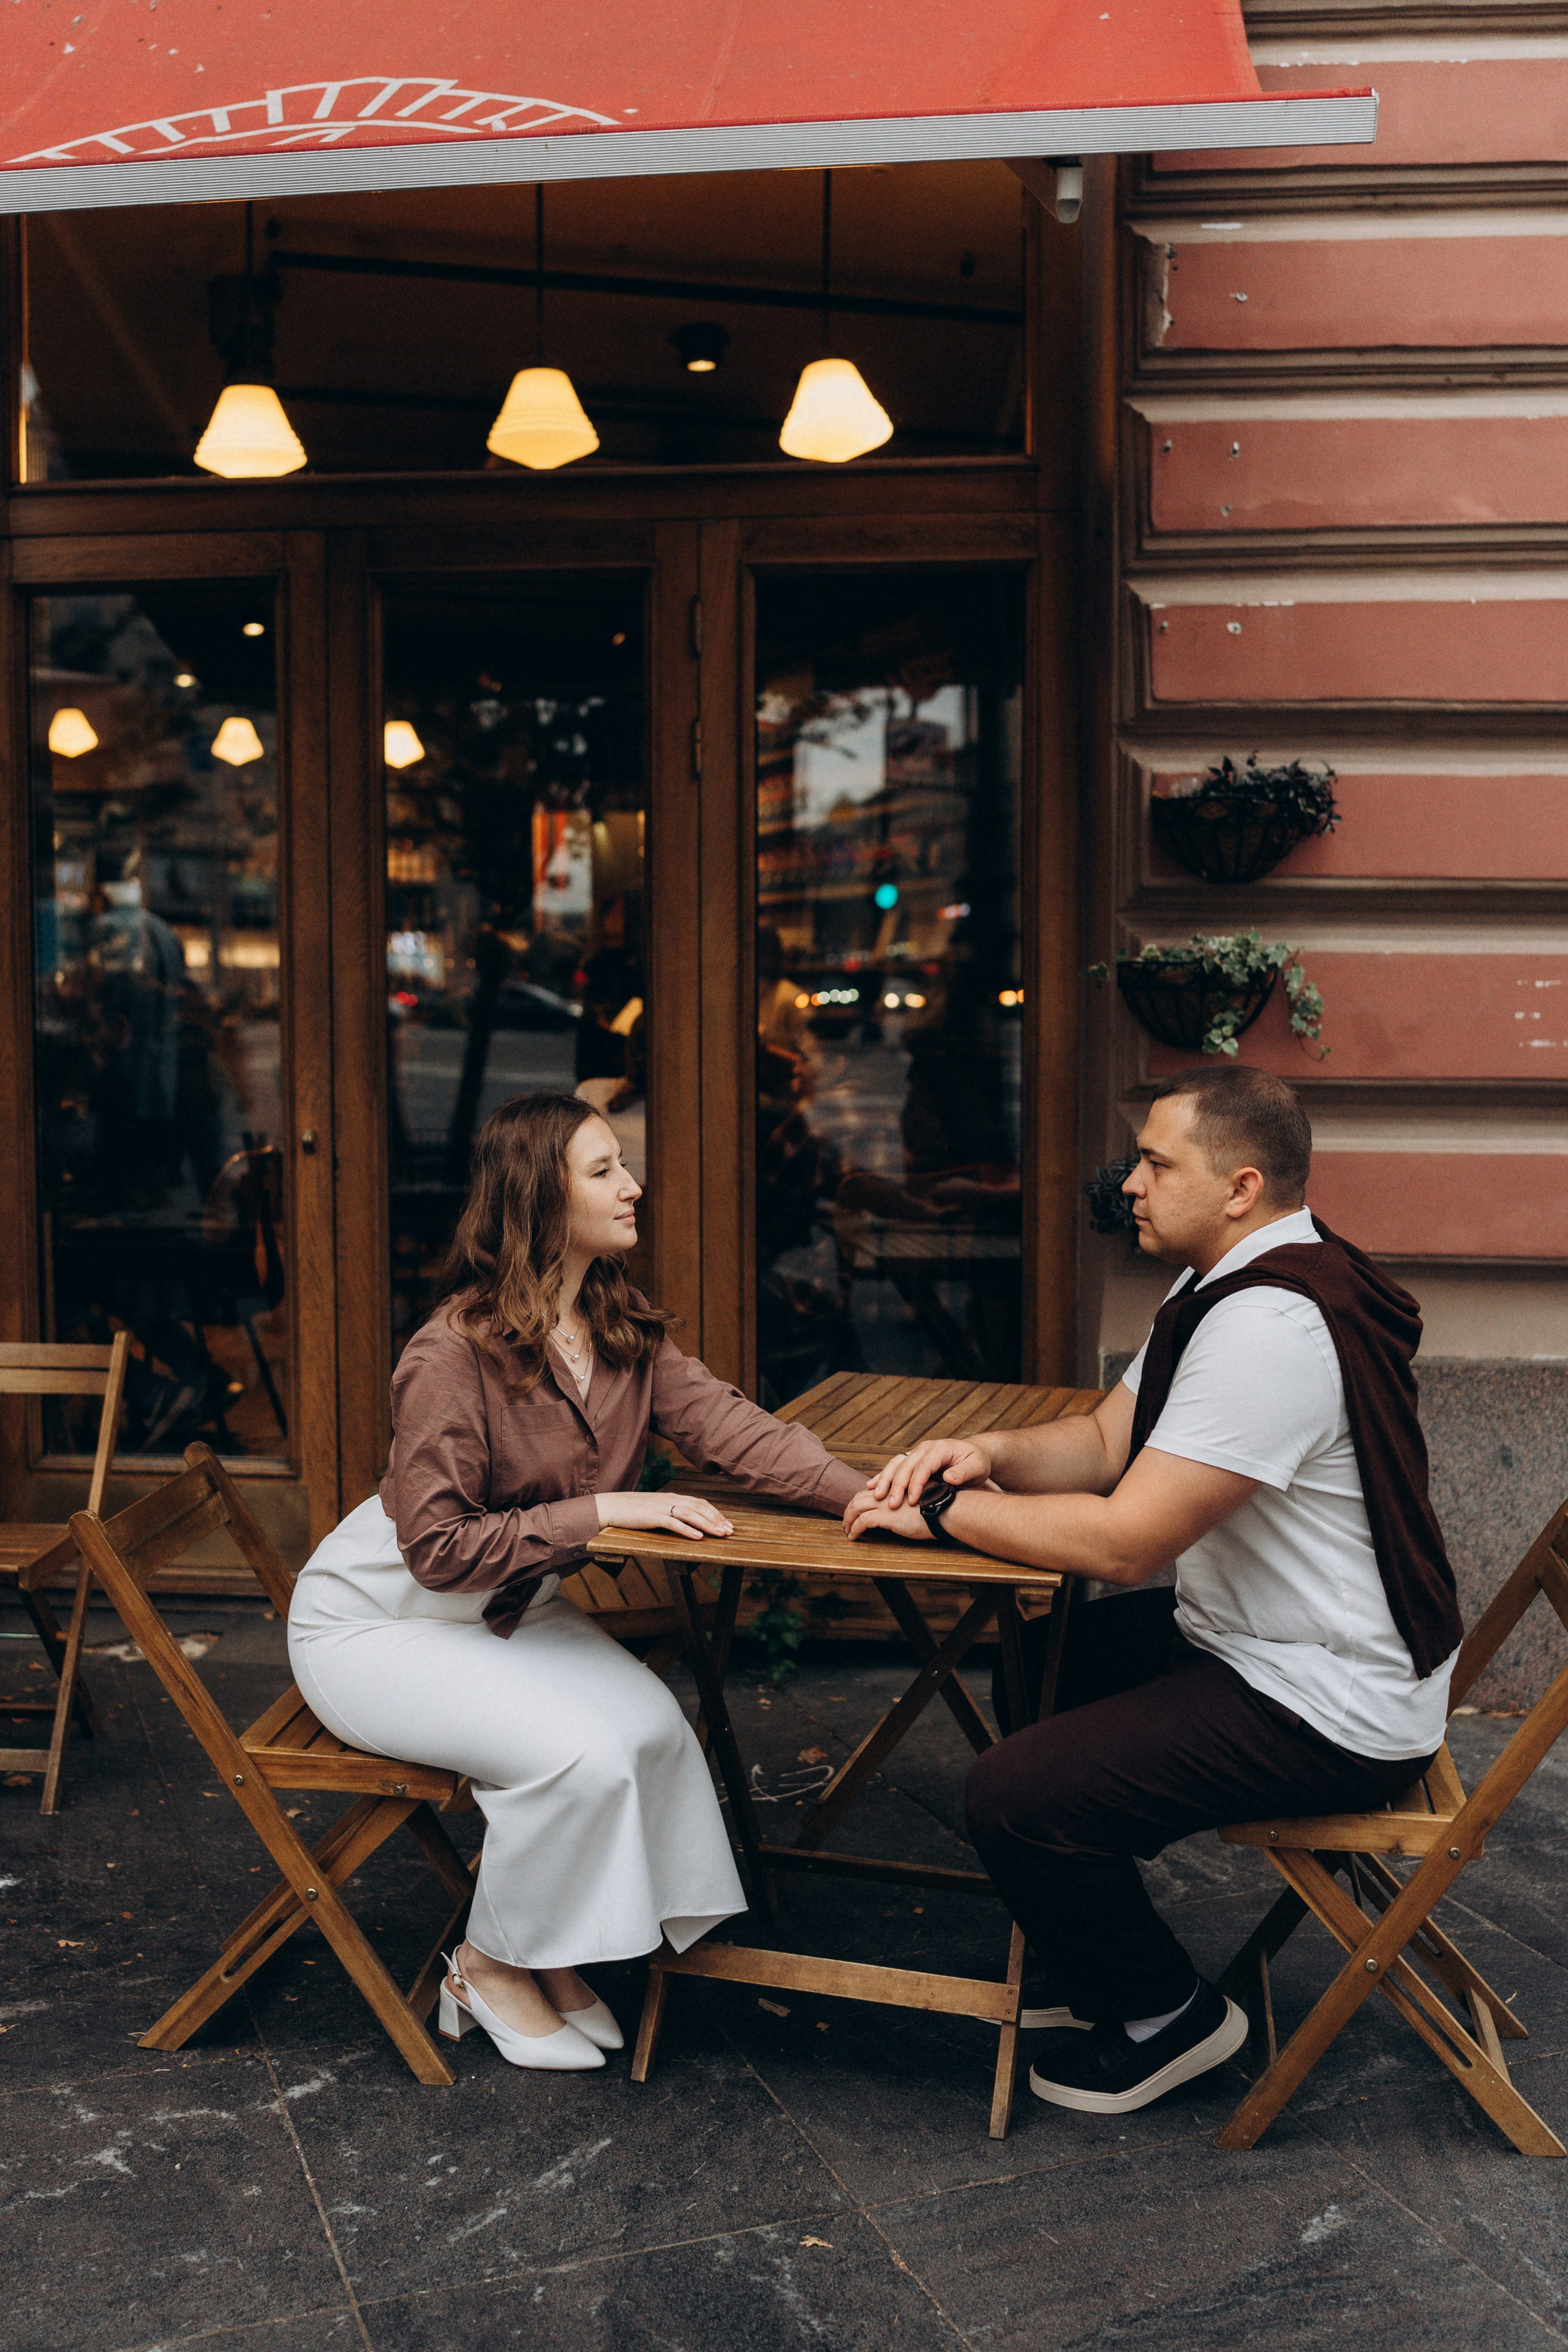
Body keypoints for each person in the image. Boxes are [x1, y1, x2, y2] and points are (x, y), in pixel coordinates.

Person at [843, 1063, 1463, 2117]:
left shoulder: (1270, 1327)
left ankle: (1166, 2017)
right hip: (1272, 1645)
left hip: (1327, 1698)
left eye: (1155, 1162)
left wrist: (943, 1515)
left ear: (1241, 1185)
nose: (1129, 1182)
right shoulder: (1230, 1276)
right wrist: (980, 1454)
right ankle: (1089, 1922)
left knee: (1011, 1794)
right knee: (1043, 1660)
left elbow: (1127, 1544)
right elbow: (1101, 1441)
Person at [288, 1092, 862, 2071]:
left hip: (510, 1610)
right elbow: (436, 1548)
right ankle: (486, 1963)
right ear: (539, 1200)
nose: (633, 1186)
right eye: (604, 1171)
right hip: (378, 1625)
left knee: (651, 1733)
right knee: (578, 1760)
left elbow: (742, 1435)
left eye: (622, 1167)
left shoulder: (618, 1328)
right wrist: (600, 1514)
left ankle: (554, 1957)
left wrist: (872, 1497)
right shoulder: (451, 1352)